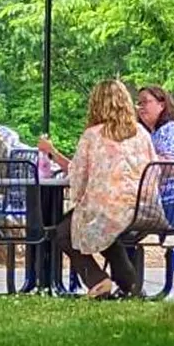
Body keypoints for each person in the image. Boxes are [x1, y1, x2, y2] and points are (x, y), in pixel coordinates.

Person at [46, 79, 160, 299]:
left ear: (96, 104)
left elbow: (77, 176)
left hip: (107, 209)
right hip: (143, 209)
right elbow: (154, 170)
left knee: (63, 232)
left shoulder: (93, 135)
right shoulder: (141, 133)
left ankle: (97, 281)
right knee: (107, 234)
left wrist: (78, 202)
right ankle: (131, 285)